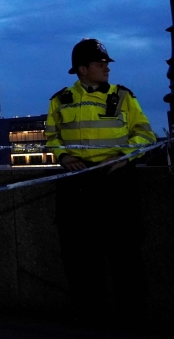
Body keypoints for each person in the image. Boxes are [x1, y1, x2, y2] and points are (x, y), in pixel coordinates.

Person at [44, 38, 156, 324]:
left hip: (116, 180)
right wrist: (64, 156)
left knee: (125, 252)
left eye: (106, 63)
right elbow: (52, 137)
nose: (106, 67)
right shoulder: (60, 100)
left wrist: (123, 157)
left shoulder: (122, 96)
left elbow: (145, 134)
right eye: (99, 63)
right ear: (82, 69)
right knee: (79, 254)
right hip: (77, 182)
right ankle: (90, 315)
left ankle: (134, 316)